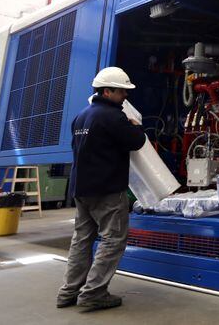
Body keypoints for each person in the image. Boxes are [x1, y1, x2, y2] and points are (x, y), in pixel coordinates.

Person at [56, 67, 145, 312]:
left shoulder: (81, 116)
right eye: (122, 92)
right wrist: (136, 126)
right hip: (106, 189)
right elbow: (136, 141)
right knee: (113, 239)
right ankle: (94, 293)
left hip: (81, 188)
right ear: (107, 91)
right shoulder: (112, 116)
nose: (125, 96)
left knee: (81, 240)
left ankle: (69, 291)